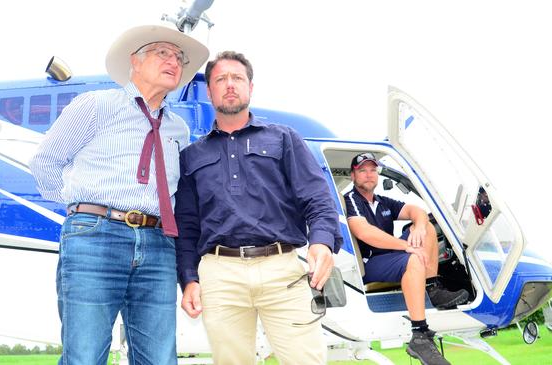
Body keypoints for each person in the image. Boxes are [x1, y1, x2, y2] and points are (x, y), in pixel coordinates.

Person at [29, 24, 209, 365]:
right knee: (85, 355)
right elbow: (45, 164)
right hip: (95, 239)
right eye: (163, 53)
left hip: (158, 246)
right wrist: (82, 211)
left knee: (159, 358)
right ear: (135, 62)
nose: (175, 61)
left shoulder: (178, 130)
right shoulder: (96, 105)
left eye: (179, 57)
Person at [175, 51, 343, 364]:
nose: (229, 85)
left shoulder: (284, 138)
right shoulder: (191, 157)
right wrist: (188, 279)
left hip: (283, 269)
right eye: (220, 79)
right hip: (219, 274)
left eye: (237, 78)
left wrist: (321, 241)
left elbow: (317, 197)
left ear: (251, 87)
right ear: (209, 92)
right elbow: (186, 227)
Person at [345, 152, 470, 365]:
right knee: (413, 259)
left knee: (428, 226)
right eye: (362, 171)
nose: (369, 175)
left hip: (391, 258)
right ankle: (420, 334)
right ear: (352, 176)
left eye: (373, 170)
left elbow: (416, 210)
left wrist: (419, 227)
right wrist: (408, 246)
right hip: (370, 264)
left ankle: (431, 288)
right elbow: (365, 233)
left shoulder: (381, 201)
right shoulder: (352, 200)